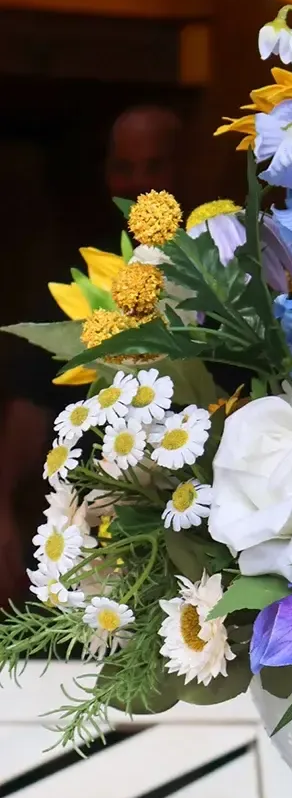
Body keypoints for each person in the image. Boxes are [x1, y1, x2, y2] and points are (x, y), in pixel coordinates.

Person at [0, 104, 184, 603]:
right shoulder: (83, 279)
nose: (139, 183)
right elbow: (29, 407)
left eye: (156, 165)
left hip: (200, 518)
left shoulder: (225, 268)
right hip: (95, 535)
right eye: (124, 167)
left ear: (185, 166)